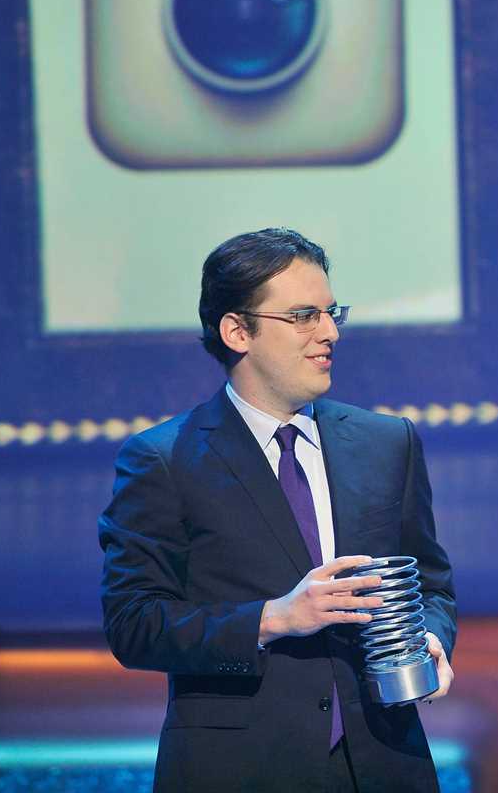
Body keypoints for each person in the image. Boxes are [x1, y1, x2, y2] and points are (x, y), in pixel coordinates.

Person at [99, 228, 456, 793]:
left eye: (332, 312)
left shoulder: (388, 443)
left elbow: (431, 585)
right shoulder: (164, 460)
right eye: (304, 316)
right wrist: (275, 618)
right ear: (238, 331)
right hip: (241, 767)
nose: (330, 332)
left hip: (386, 762)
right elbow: (135, 624)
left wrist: (430, 639)